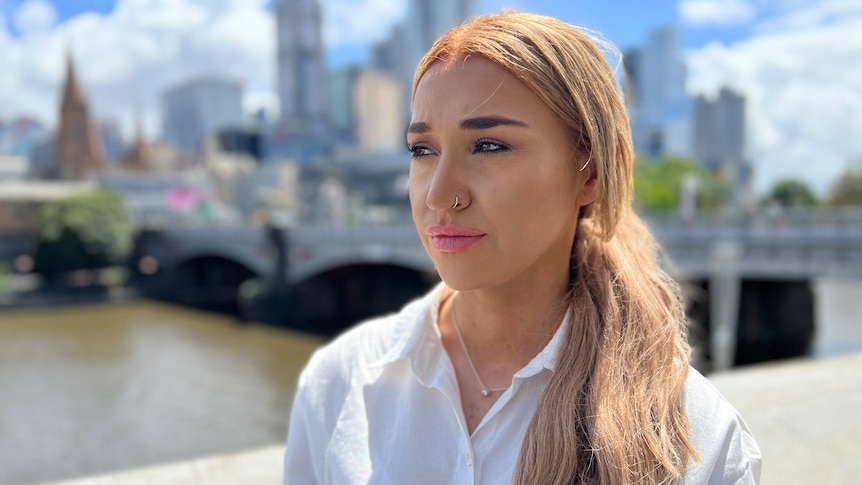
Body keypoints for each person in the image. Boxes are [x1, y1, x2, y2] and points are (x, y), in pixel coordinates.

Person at [284, 11, 761, 485]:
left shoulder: (696, 440)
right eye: (422, 150)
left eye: (489, 146)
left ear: (591, 171)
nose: (439, 194)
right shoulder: (341, 381)